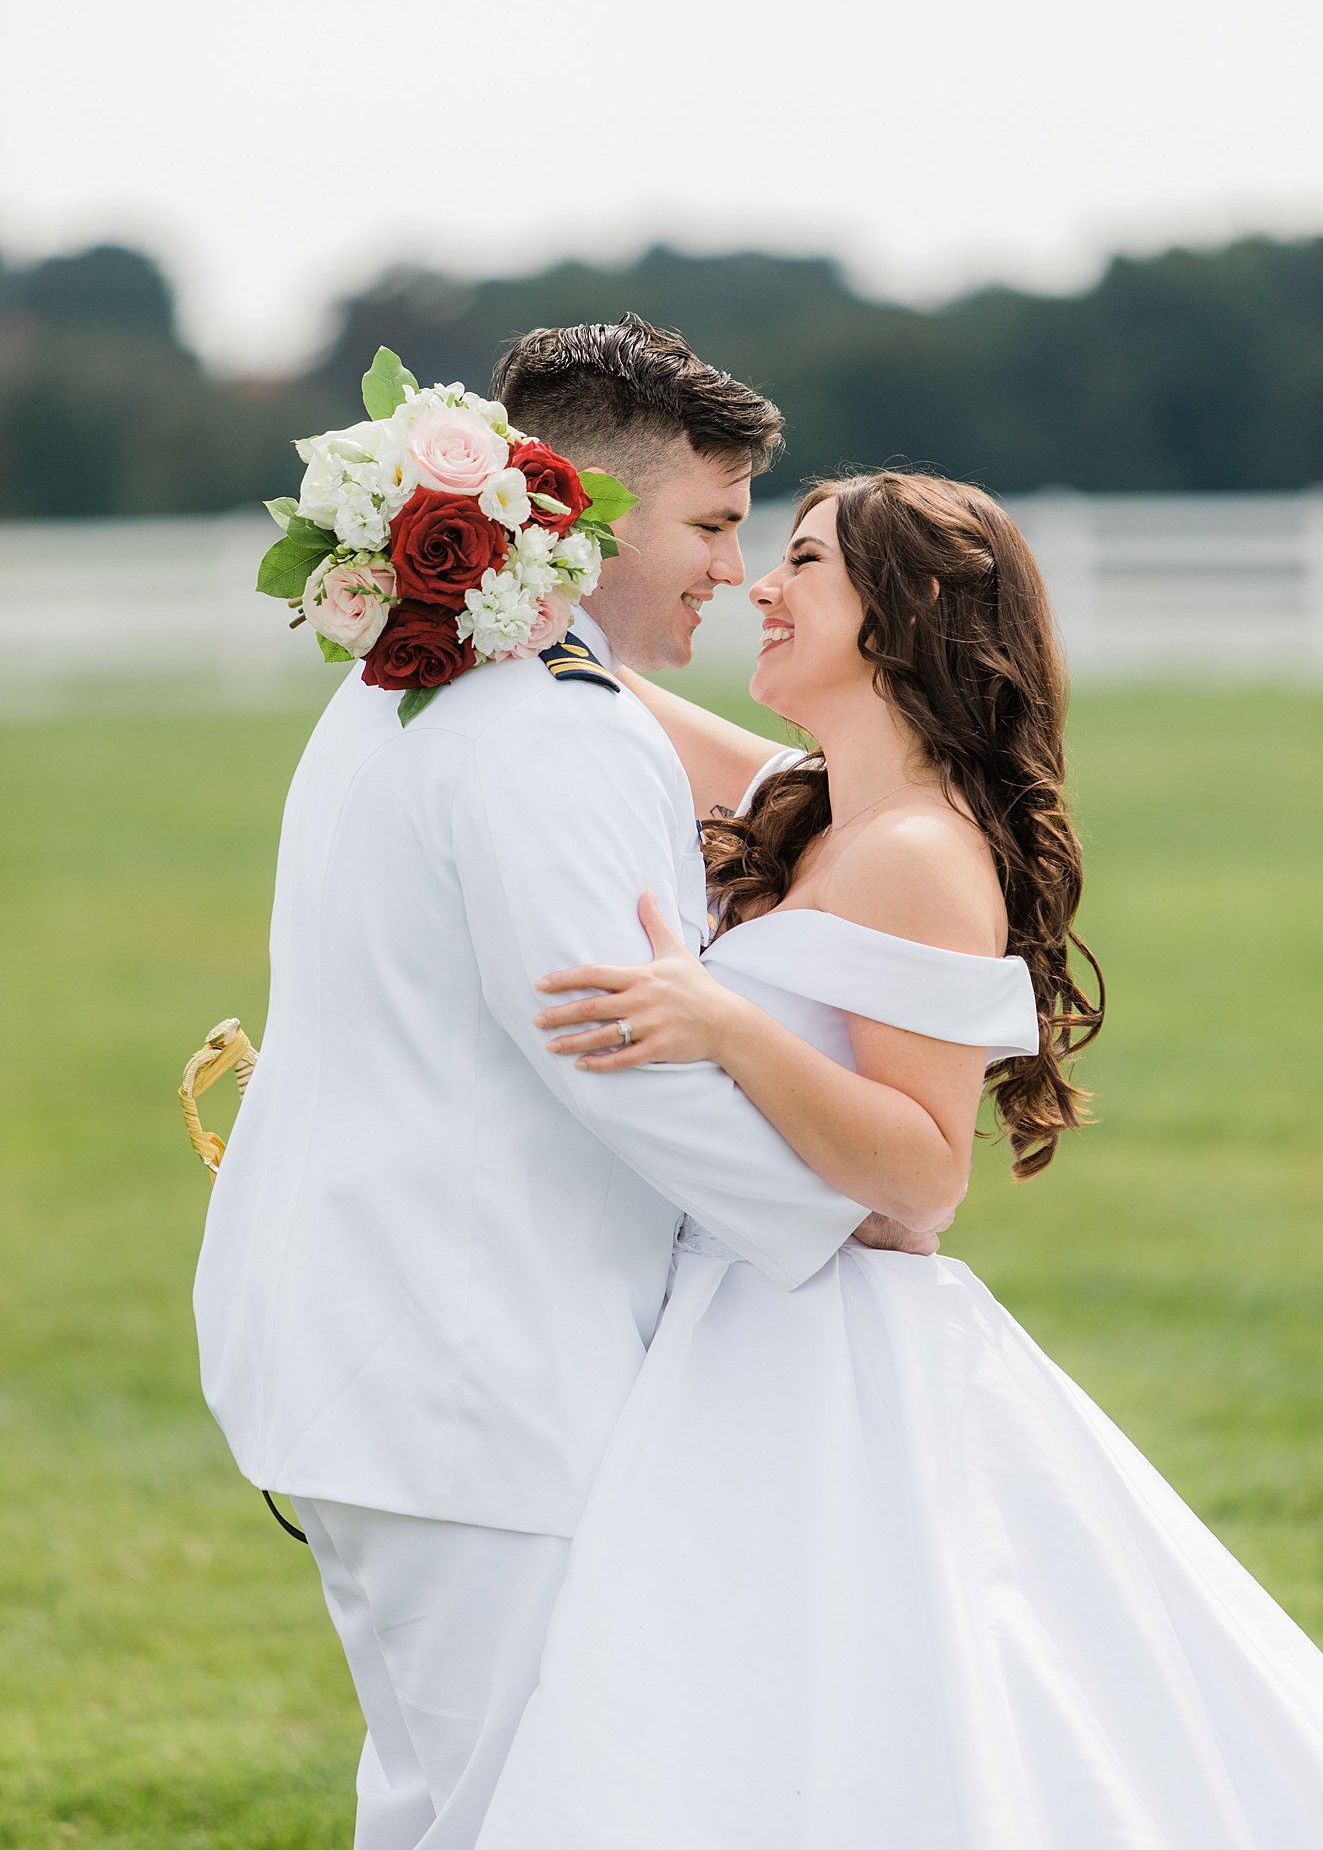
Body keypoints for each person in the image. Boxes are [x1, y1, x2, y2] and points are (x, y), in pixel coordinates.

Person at [474, 471, 1323, 1849]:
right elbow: (597, 697)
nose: (760, 591)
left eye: (800, 563)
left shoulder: (919, 853)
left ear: (900, 610)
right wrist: (486, 594)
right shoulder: (817, 803)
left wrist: (727, 1026)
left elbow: (921, 1183)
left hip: (823, 1350)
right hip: (735, 1320)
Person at [193, 319, 930, 1850]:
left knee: (446, 1800)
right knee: (521, 1807)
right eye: (716, 524)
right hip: (461, 1368)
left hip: (386, 1354)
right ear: (585, 512)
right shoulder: (549, 732)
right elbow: (614, 1054)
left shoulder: (407, 691)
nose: (733, 571)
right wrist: (841, 1217)